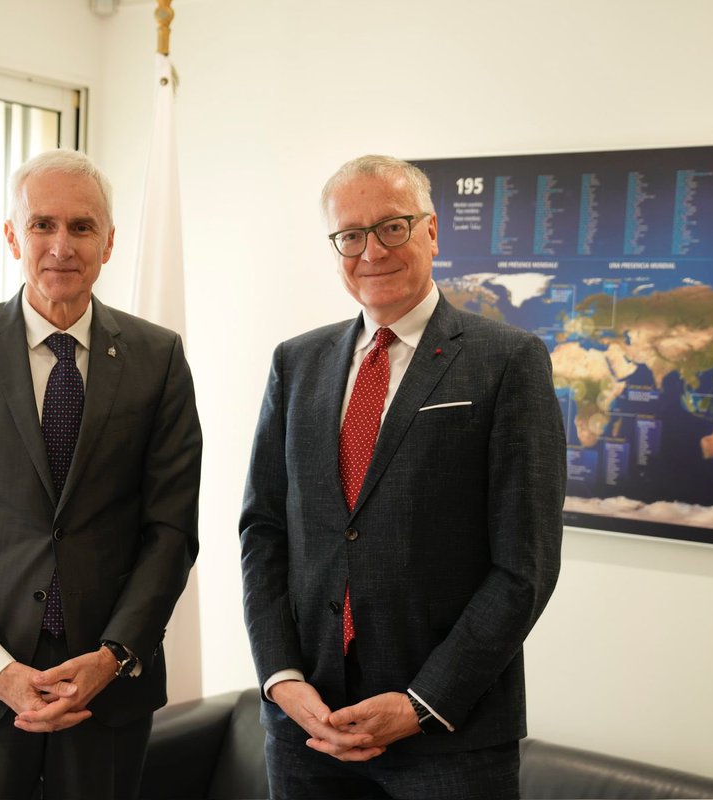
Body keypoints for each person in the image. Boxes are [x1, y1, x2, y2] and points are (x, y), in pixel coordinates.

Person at [239, 154, 565, 799]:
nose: (371, 251)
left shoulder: (508, 362)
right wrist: (280, 676)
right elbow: (264, 530)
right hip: (310, 729)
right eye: (350, 235)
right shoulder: (297, 362)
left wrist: (421, 702)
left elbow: (524, 567)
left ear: (432, 232)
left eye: (392, 227)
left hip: (448, 735)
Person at [0, 149, 201, 800]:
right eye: (42, 225)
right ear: (12, 235)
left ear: (109, 242)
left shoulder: (158, 358)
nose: (62, 244)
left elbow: (170, 532)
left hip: (106, 696)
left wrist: (113, 658)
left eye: (82, 227)